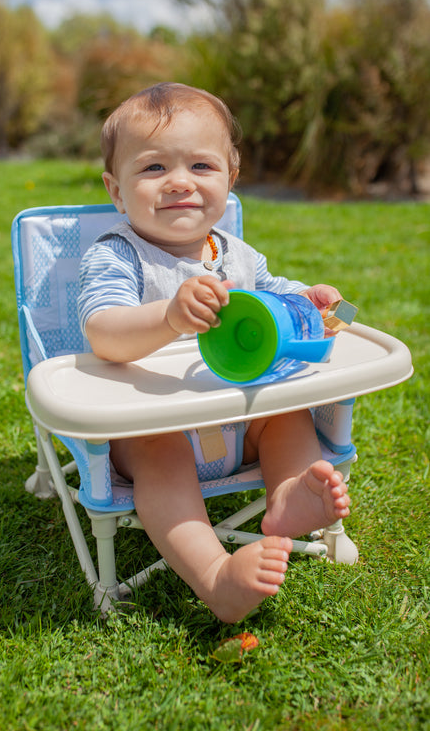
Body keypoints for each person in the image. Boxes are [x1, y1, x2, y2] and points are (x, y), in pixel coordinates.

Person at [78, 83, 350, 623]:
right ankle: (214, 577)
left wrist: (306, 301)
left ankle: (290, 494)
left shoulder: (239, 254)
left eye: (201, 165)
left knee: (286, 417)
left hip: (239, 418)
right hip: (155, 425)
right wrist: (168, 316)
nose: (180, 182)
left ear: (230, 178)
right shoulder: (116, 255)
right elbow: (102, 331)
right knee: (160, 455)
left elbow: (274, 293)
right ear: (116, 190)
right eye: (154, 169)